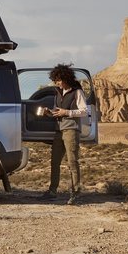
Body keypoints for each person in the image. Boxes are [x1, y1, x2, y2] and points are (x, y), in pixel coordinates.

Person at [39, 63, 88, 205]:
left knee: (72, 162)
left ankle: (76, 193)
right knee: (54, 162)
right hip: (59, 130)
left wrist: (66, 112)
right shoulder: (58, 93)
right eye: (55, 80)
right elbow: (57, 112)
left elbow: (84, 111)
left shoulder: (77, 92)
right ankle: (52, 191)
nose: (57, 83)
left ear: (66, 78)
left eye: (58, 80)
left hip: (71, 130)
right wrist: (49, 112)